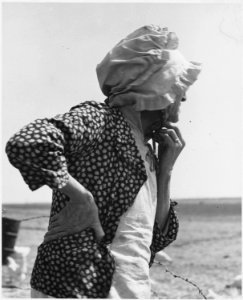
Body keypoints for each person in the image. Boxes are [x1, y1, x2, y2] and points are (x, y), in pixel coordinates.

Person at [5, 24, 201, 298]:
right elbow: (29, 142)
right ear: (159, 90)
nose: (184, 96)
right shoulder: (101, 119)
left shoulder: (145, 149)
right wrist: (81, 199)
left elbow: (156, 239)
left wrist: (165, 172)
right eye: (180, 87)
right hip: (74, 287)